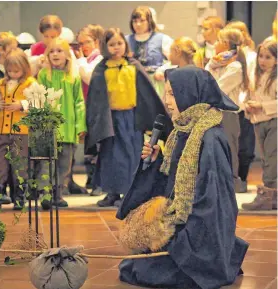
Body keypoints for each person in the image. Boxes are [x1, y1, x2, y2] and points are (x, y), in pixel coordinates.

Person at [117, 66, 249, 289]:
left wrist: (185, 238)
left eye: (172, 93)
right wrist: (156, 161)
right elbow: (172, 182)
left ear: (189, 94)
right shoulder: (182, 130)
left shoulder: (210, 137)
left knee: (148, 272)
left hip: (199, 227)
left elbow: (214, 200)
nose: (167, 101)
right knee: (135, 266)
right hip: (182, 219)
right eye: (166, 93)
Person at [86, 28, 172, 207]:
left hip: (132, 118)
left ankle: (129, 193)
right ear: (104, 46)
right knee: (111, 156)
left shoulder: (133, 65)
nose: (116, 48)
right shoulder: (101, 68)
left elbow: (147, 94)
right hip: (110, 119)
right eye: (111, 44)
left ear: (125, 45)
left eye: (119, 43)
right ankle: (112, 192)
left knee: (132, 155)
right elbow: (96, 98)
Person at [37, 38, 87, 209]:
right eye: (52, 51)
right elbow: (39, 99)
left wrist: (80, 126)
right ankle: (45, 194)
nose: (56, 54)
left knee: (64, 166)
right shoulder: (44, 75)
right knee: (46, 163)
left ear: (67, 55)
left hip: (67, 129)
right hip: (48, 129)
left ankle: (58, 194)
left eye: (60, 51)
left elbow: (79, 102)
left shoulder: (73, 77)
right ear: (47, 56)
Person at [0, 48, 36, 210]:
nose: (13, 73)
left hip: (21, 132)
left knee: (20, 165)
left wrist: (21, 105)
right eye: (9, 70)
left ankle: (20, 197)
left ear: (24, 68)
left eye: (16, 70)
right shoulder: (0, 84)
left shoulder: (31, 84)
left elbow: (39, 102)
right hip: (1, 130)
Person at [206, 27, 249, 193]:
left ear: (226, 44)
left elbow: (216, 88)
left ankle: (231, 185)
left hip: (228, 115)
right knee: (215, 149)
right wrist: (211, 64)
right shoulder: (216, 64)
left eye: (218, 40)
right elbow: (206, 81)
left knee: (230, 149)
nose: (215, 43)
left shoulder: (235, 66)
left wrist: (212, 67)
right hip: (214, 113)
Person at [242, 39, 277, 211]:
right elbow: (252, 96)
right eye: (261, 57)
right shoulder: (257, 76)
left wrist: (263, 106)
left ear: (276, 59)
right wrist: (249, 105)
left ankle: (268, 196)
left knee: (272, 159)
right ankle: (274, 195)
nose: (262, 61)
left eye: (268, 57)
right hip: (260, 122)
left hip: (274, 122)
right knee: (265, 159)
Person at [225, 21, 257, 193]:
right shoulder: (225, 61)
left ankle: (241, 180)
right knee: (231, 148)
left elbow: (251, 82)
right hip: (232, 109)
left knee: (244, 148)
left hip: (244, 108)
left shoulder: (249, 57)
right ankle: (232, 182)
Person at [0, 31, 18, 204]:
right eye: (13, 48)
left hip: (15, 125)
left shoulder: (17, 72)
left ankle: (17, 194)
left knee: (15, 159)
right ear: (1, 50)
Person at [75, 24, 105, 196]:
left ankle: (98, 182)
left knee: (97, 145)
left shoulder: (99, 60)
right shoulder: (85, 60)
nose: (82, 47)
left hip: (97, 109)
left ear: (96, 41)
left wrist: (79, 61)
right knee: (88, 147)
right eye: (79, 44)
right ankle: (90, 178)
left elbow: (89, 78)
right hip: (84, 107)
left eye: (86, 42)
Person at [126, 6, 173, 97]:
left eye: (142, 21)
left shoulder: (162, 39)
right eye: (135, 21)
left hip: (154, 86)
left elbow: (176, 59)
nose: (138, 24)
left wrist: (162, 71)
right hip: (132, 86)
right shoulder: (125, 41)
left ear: (149, 21)